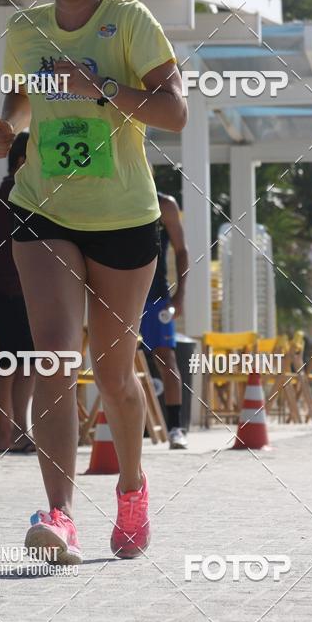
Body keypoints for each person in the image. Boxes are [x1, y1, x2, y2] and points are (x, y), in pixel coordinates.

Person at [0, 0, 187, 563]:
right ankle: (60, 514)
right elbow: (21, 95)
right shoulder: (25, 30)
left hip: (125, 219)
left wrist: (102, 90)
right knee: (51, 356)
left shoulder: (129, 22)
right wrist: (8, 125)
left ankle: (131, 489)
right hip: (44, 207)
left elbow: (175, 112)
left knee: (114, 373)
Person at [0, 132, 36, 453]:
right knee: (8, 364)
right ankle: (6, 432)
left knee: (28, 364)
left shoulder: (23, 189)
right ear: (22, 160)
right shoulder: (12, 189)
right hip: (10, 290)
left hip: (27, 290)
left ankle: (21, 428)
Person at [140, 191, 189, 449]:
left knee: (166, 360)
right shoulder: (116, 196)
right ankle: (121, 427)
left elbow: (181, 250)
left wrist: (180, 295)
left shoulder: (165, 205)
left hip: (157, 296)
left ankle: (175, 428)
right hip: (121, 296)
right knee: (119, 363)